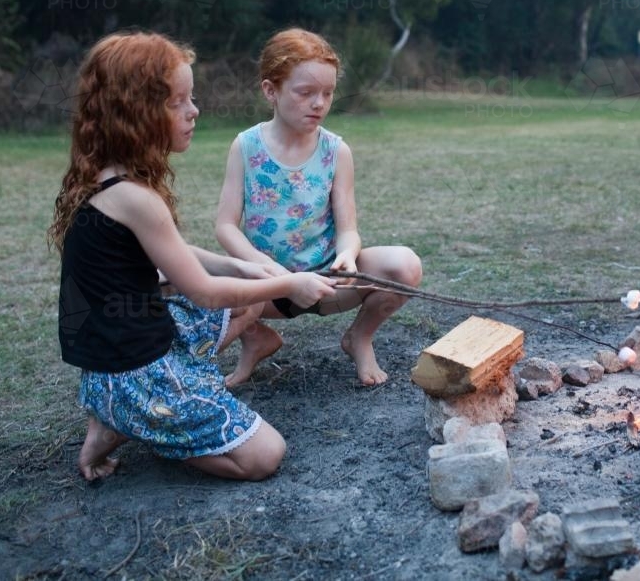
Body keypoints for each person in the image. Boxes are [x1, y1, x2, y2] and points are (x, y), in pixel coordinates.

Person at [49, 31, 336, 482]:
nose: (194, 111)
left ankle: (126, 411)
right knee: (264, 456)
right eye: (177, 102)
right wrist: (289, 284)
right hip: (133, 372)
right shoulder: (136, 199)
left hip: (117, 355)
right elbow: (203, 293)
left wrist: (241, 265)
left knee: (248, 298)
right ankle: (137, 421)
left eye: (191, 98)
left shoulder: (105, 178)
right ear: (136, 113)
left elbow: (175, 255)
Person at [216, 28, 422, 387]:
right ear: (271, 91)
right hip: (267, 287)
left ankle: (359, 337)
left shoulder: (336, 151)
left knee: (405, 266)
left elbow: (347, 229)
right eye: (305, 93)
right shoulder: (245, 146)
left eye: (327, 93)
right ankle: (256, 338)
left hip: (328, 282)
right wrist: (274, 274)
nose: (319, 103)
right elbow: (225, 227)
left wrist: (347, 255)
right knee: (202, 297)